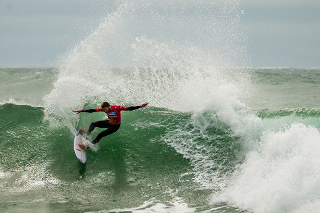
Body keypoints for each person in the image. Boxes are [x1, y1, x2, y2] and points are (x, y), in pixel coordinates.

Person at [73, 102, 148, 149]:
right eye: (104, 110)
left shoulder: (117, 108)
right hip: (109, 122)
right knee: (93, 124)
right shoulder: (103, 108)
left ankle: (88, 146)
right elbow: (93, 110)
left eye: (106, 110)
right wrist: (82, 110)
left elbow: (129, 108)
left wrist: (140, 106)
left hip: (115, 127)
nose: (105, 111)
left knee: (100, 134)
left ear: (109, 106)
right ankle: (87, 134)